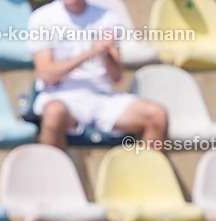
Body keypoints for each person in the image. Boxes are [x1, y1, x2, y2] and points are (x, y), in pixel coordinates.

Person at [28, 0, 167, 150]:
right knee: (54, 113)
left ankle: (149, 165)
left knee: (157, 115)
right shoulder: (42, 17)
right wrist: (91, 52)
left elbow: (116, 77)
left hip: (102, 96)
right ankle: (53, 165)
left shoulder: (107, 17)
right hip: (60, 94)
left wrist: (107, 54)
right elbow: (47, 74)